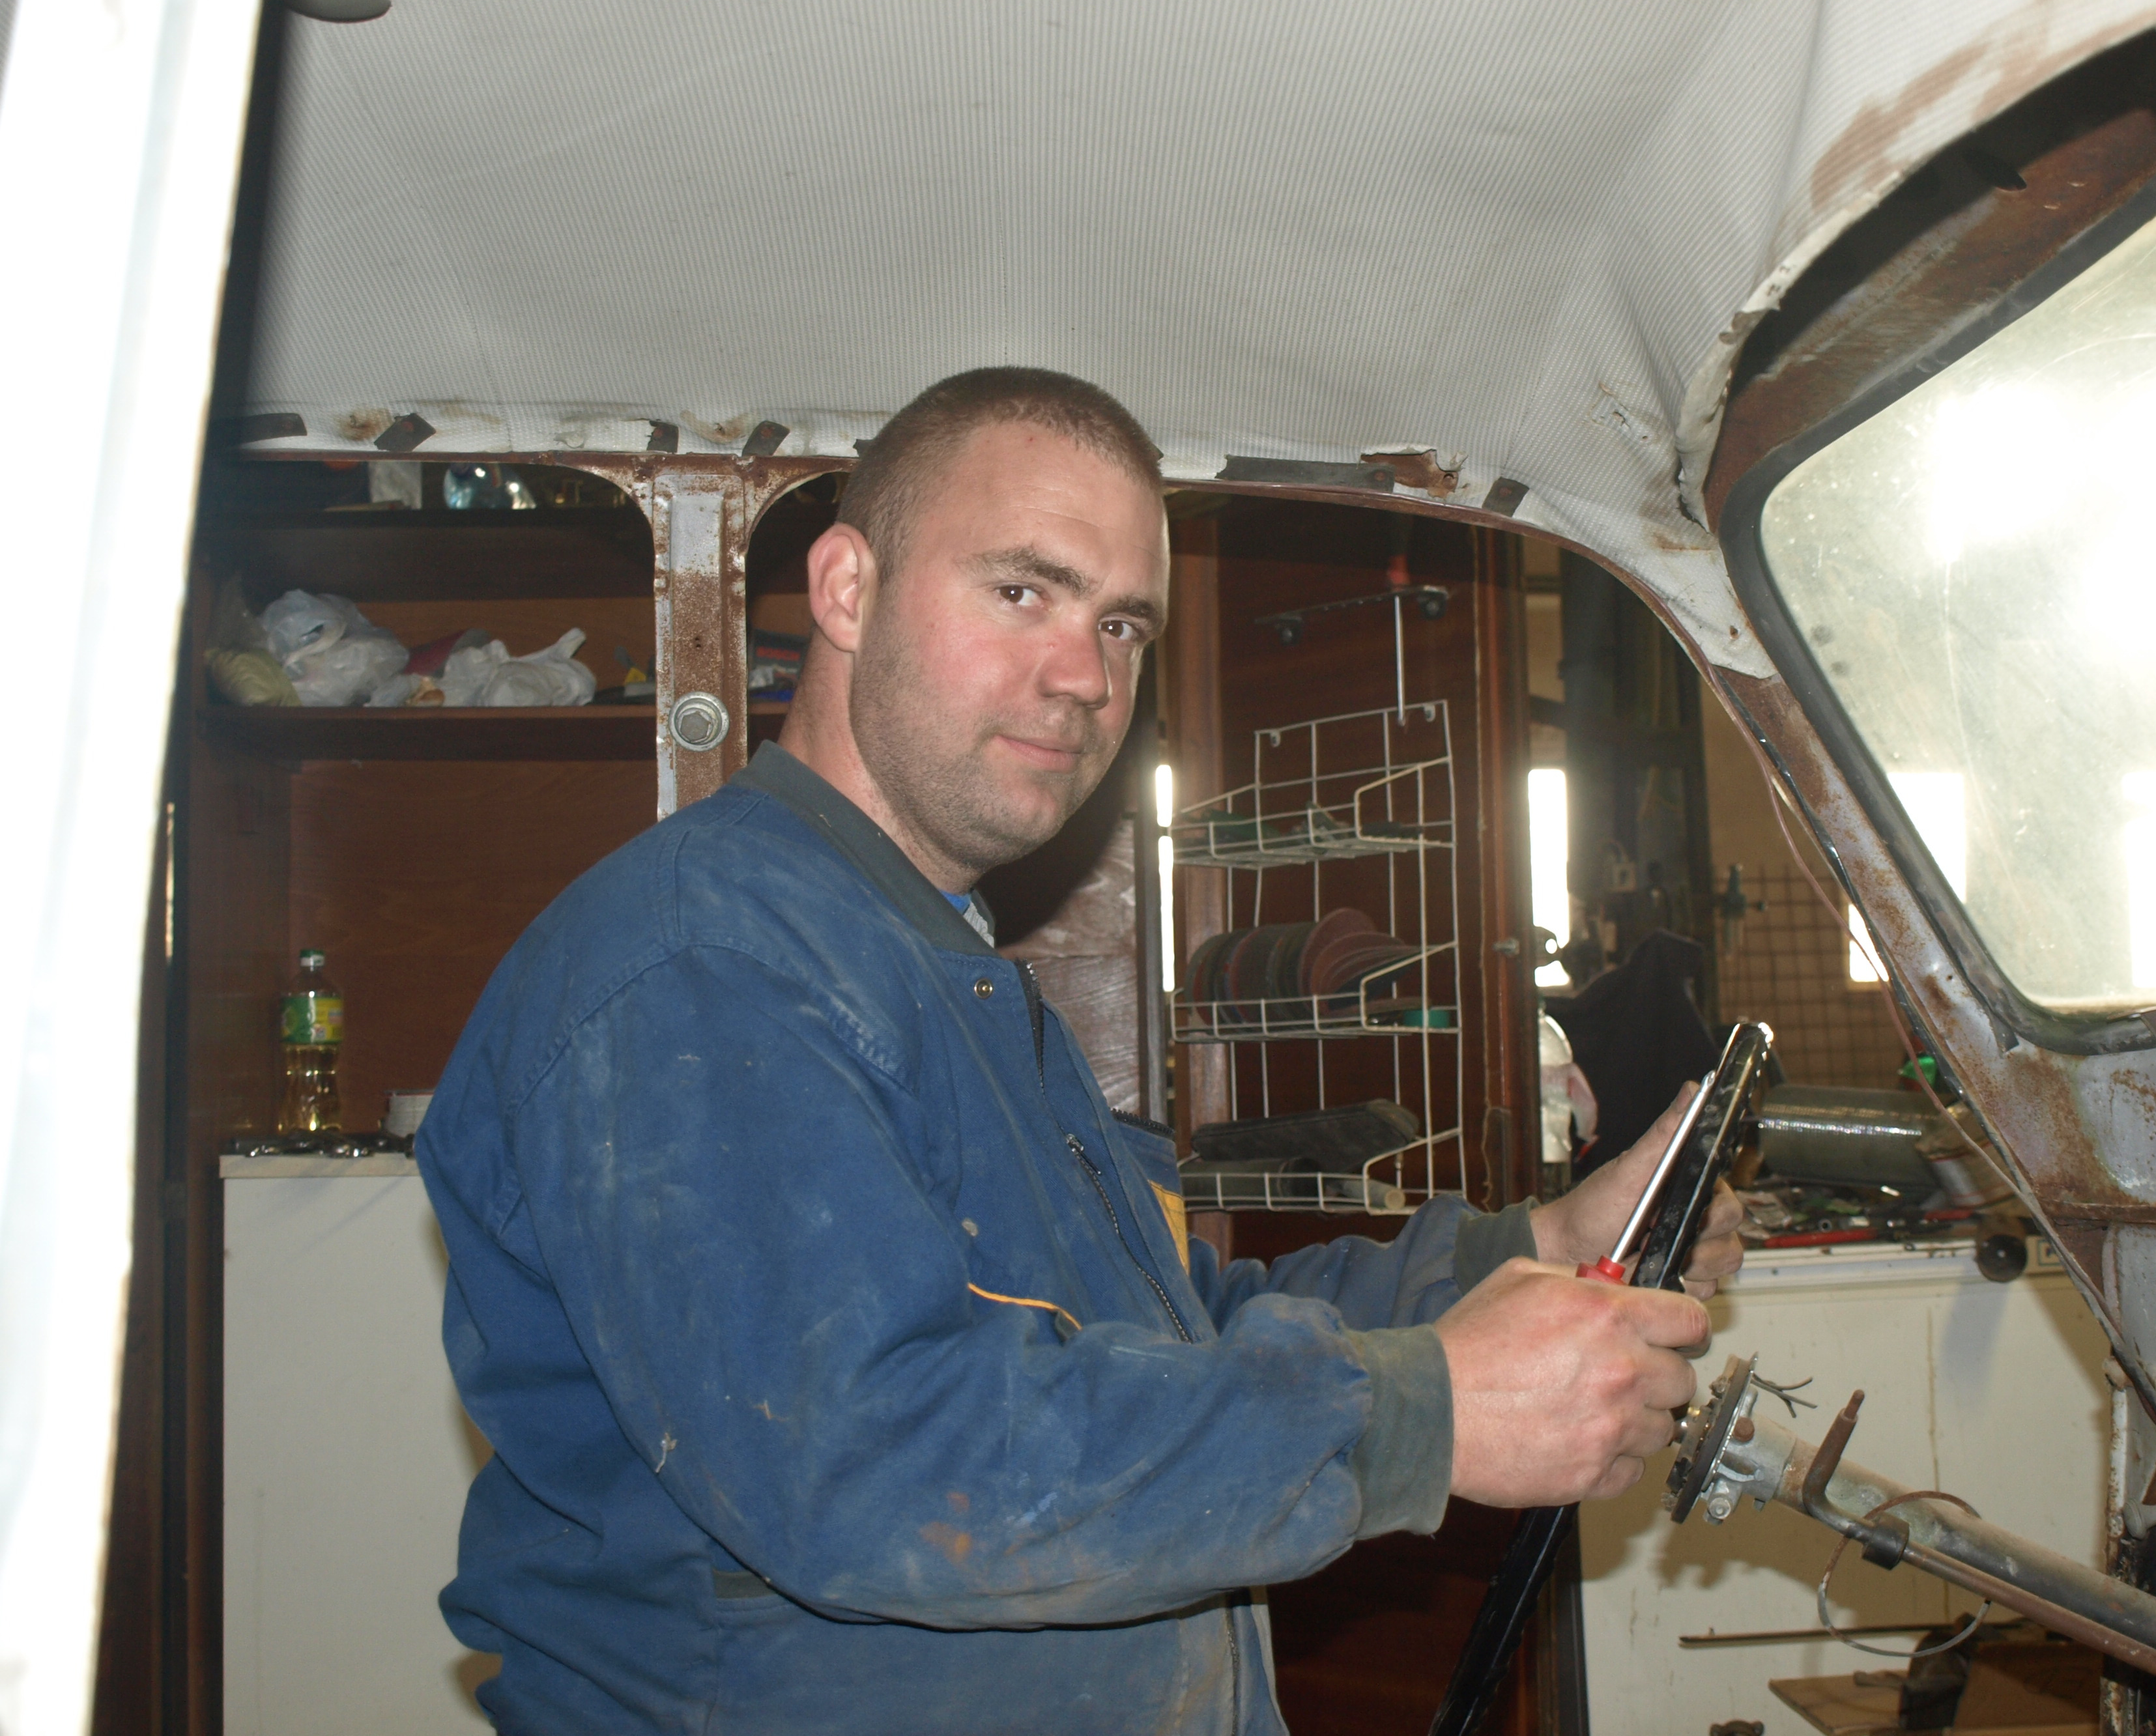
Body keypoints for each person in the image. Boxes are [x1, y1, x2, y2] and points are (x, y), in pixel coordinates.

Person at [416, 367, 1744, 1735]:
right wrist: (1424, 1414)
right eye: (1021, 591)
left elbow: (1168, 1332)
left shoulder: (933, 964)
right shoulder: (708, 966)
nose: (1083, 679)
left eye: (1120, 624)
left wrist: (1535, 1244)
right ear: (847, 590)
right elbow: (880, 1467)